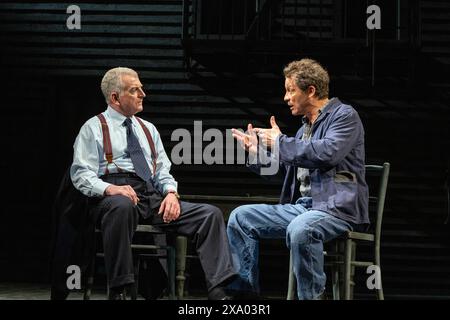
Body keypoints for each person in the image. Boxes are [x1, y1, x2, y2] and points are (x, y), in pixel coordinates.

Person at [70, 67, 235, 300]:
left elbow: (162, 171)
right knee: (121, 206)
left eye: (141, 88)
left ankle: (218, 289)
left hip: (149, 194)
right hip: (112, 195)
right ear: (115, 97)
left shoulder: (148, 129)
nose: (143, 94)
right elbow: (80, 174)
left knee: (209, 214)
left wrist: (170, 193)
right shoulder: (94, 127)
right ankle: (122, 289)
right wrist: (110, 189)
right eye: (134, 90)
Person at [228, 58, 369, 300]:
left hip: (337, 208)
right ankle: (245, 299)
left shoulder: (345, 116)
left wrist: (281, 142)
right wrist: (256, 154)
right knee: (240, 217)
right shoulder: (302, 130)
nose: (285, 97)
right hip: (301, 208)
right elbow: (286, 174)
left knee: (301, 229)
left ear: (311, 91)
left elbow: (328, 153)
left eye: (291, 90)